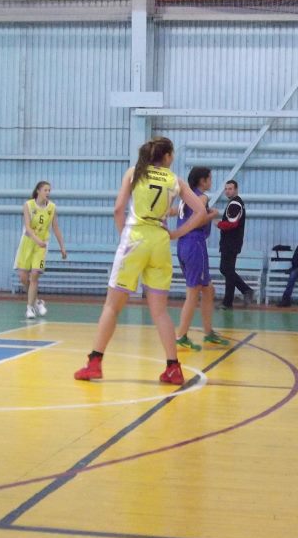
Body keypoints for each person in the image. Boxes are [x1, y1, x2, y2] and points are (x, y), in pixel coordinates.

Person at [74, 137, 207, 385]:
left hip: (135, 237)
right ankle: (173, 368)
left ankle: (94, 363)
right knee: (160, 311)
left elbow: (118, 209)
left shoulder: (134, 172)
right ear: (167, 157)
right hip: (160, 241)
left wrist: (123, 235)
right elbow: (200, 211)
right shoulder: (175, 180)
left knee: (112, 306)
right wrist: (177, 233)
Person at [174, 167, 230, 351]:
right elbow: (198, 219)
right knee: (193, 292)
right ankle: (181, 336)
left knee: (208, 290)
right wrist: (211, 215)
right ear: (202, 181)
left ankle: (208, 333)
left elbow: (182, 215)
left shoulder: (185, 198)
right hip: (195, 244)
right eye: (209, 178)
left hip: (183, 244)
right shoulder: (202, 197)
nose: (211, 181)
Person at [14, 180, 67, 320]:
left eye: (49, 190)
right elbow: (28, 227)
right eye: (45, 190)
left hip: (42, 246)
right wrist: (36, 239)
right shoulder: (28, 205)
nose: (48, 192)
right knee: (23, 277)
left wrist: (62, 246)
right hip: (27, 243)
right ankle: (37, 301)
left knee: (35, 275)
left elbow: (56, 228)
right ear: (38, 191)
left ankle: (29, 308)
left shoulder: (52, 208)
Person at [217, 179, 255, 309]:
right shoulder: (235, 203)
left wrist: (218, 223)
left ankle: (246, 290)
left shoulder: (235, 204)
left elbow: (232, 224)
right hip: (231, 242)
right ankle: (228, 302)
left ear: (236, 190)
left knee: (225, 269)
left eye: (230, 189)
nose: (227, 191)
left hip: (231, 243)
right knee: (229, 271)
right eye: (226, 189)